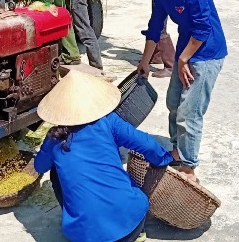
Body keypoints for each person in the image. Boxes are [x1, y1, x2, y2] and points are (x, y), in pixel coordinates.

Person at [126, 0, 227, 183]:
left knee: (189, 111)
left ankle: (189, 167)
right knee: (173, 101)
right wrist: (144, 61)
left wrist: (183, 60)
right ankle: (178, 149)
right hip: (186, 47)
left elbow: (203, 30)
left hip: (206, 53)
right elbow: (155, 26)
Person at [34, 70, 172, 242]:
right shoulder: (108, 121)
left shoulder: (54, 138)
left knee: (55, 171)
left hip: (85, 237)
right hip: (130, 227)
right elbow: (148, 145)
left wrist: (48, 148)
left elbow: (39, 167)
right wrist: (164, 159)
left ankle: (85, 221)